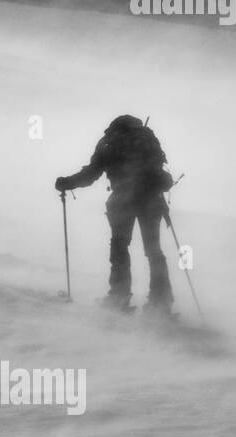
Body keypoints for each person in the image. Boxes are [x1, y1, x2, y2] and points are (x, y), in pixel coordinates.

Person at [54, 115, 175, 313]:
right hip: (152, 201)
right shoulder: (147, 138)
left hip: (123, 201)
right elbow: (158, 168)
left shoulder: (110, 141)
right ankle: (161, 301)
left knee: (119, 246)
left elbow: (92, 174)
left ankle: (119, 298)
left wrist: (66, 183)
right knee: (153, 250)